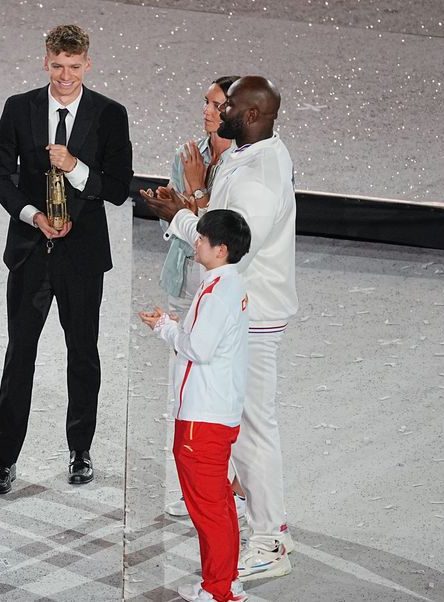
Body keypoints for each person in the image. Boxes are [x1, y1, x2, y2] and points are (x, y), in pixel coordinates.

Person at [142, 75, 299, 582]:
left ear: (252, 115)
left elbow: (231, 241)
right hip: (242, 310)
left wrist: (180, 216)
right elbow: (218, 216)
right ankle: (255, 517)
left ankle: (270, 538)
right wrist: (192, 204)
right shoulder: (250, 153)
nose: (219, 109)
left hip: (252, 315)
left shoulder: (259, 176)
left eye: (228, 104)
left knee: (253, 427)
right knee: (245, 423)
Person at [0, 24, 133, 494]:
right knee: (19, 357)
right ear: (45, 61)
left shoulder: (110, 114)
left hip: (82, 257)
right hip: (31, 251)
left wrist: (75, 167)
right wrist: (32, 216)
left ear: (88, 63)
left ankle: (80, 452)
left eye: (74, 67)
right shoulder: (20, 107)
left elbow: (118, 187)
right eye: (57, 66)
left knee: (82, 355)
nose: (65, 76)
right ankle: (4, 460)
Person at [138, 76, 247, 519]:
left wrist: (196, 195)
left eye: (217, 104)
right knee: (184, 390)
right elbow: (188, 228)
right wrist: (173, 205)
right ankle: (198, 486)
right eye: (206, 101)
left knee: (226, 392)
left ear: (237, 112)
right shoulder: (187, 155)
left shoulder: (242, 163)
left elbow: (225, 236)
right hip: (186, 281)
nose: (206, 110)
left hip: (223, 290)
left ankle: (235, 488)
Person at [139, 209, 252, 602]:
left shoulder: (217, 290)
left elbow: (198, 348)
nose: (196, 242)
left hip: (202, 419)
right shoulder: (228, 283)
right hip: (213, 412)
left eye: (202, 239)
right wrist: (178, 325)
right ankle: (225, 581)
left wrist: (164, 328)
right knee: (218, 503)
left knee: (209, 510)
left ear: (221, 250)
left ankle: (219, 590)